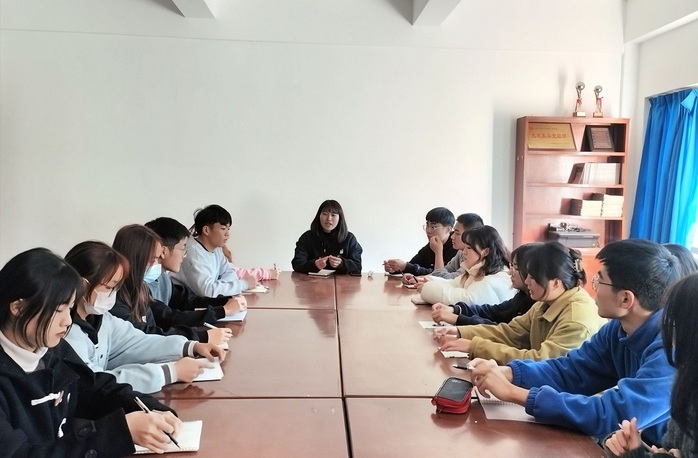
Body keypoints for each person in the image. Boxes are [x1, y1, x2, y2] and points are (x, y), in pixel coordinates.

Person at [467, 239, 679, 446]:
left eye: (599, 281)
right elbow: (571, 370)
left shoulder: (672, 351)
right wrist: (509, 373)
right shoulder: (617, 329)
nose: (593, 289)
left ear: (625, 299)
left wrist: (513, 393)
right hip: (627, 444)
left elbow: (611, 414)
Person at [0, 248, 182, 456]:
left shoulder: (51, 351)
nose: (67, 321)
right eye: (57, 310)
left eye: (69, 309)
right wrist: (118, 432)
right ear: (18, 307)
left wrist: (148, 408)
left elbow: (93, 389)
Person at [64, 241, 226, 394]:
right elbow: (95, 383)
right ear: (82, 285)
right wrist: (169, 373)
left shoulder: (102, 319)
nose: (113, 294)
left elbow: (139, 342)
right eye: (109, 287)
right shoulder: (66, 332)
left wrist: (189, 346)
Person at [436, 242, 606, 364]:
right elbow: (510, 333)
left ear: (555, 282)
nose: (527, 281)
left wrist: (475, 346)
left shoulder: (576, 320)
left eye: (533, 276)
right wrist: (461, 332)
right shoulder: (545, 303)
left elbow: (541, 362)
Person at [605, 272, 698, 457]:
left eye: (673, 325)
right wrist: (633, 449)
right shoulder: (687, 379)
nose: (669, 335)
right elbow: (669, 449)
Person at [111, 224, 232, 344]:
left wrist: (225, 301)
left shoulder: (141, 289)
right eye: (153, 260)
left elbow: (184, 301)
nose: (157, 263)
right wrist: (200, 336)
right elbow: (148, 333)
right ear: (136, 260)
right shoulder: (117, 298)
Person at [145, 217, 247, 315]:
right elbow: (169, 316)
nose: (184, 255)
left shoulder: (163, 277)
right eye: (183, 248)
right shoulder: (142, 285)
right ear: (164, 251)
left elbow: (187, 300)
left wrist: (226, 300)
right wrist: (223, 311)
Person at [431, 242, 540, 326]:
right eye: (511, 266)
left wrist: (457, 318)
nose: (510, 272)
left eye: (515, 267)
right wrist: (455, 310)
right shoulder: (522, 296)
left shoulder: (537, 305)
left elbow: (504, 331)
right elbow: (492, 311)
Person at [171, 204, 258, 297]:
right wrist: (244, 284)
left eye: (228, 229)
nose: (227, 234)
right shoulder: (193, 253)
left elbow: (230, 271)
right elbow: (208, 292)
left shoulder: (216, 249)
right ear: (206, 230)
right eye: (223, 228)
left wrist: (219, 287)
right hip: (184, 303)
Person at [416, 225, 515, 305]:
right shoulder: (479, 270)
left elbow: (467, 299)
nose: (464, 252)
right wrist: (429, 281)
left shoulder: (496, 277)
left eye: (469, 248)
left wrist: (427, 288)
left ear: (486, 251)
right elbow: (454, 283)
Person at [406, 213, 484, 284]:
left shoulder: (475, 257)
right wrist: (418, 279)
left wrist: (438, 252)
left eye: (457, 233)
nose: (452, 236)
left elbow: (443, 279)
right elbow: (445, 270)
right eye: (427, 226)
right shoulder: (460, 252)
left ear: (470, 236)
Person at [292, 200, 363, 274]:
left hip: (342, 281)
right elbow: (297, 263)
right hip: (312, 280)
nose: (328, 218)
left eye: (333, 215)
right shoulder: (307, 237)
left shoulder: (349, 238)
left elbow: (357, 266)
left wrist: (342, 264)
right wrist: (314, 265)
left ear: (340, 218)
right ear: (319, 216)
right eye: (325, 214)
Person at [384, 207, 457, 276]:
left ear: (448, 229)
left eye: (433, 227)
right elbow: (413, 265)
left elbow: (442, 275)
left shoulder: (456, 247)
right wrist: (396, 268)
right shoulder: (430, 246)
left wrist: (438, 252)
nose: (428, 231)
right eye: (427, 225)